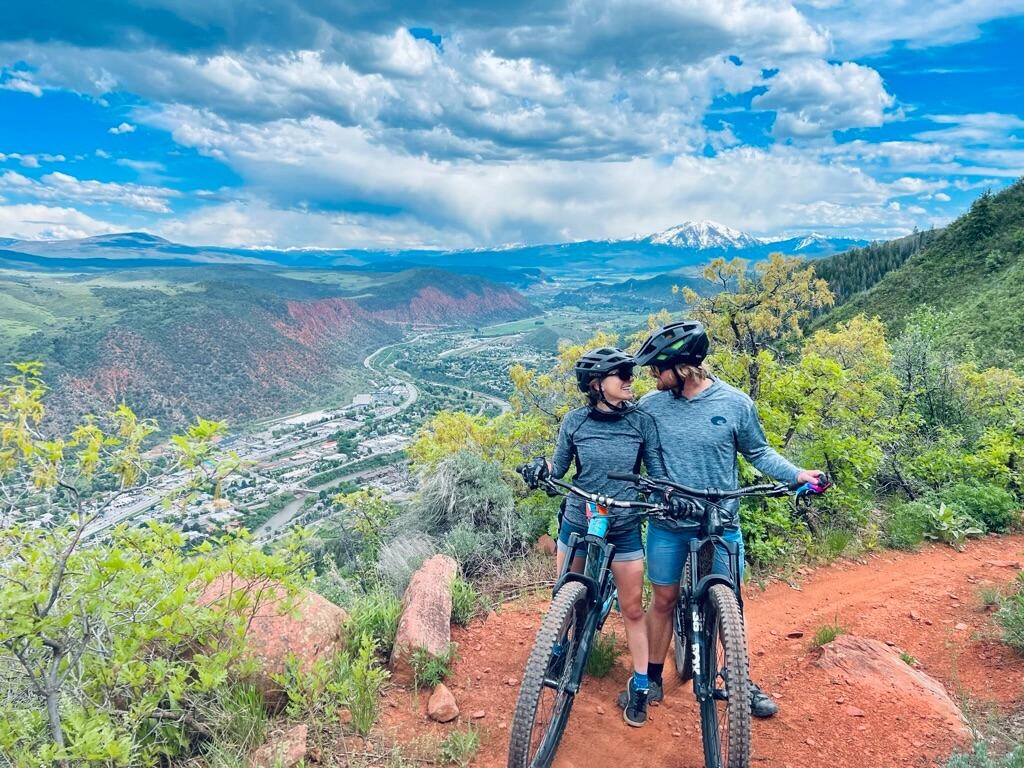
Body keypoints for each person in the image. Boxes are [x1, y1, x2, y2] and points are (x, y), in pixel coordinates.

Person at [624, 320, 824, 718]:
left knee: (728, 604)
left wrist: (798, 474)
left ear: (681, 368)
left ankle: (735, 677)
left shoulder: (735, 404)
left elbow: (760, 453)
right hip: (669, 524)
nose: (652, 377)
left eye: (657, 369)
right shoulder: (649, 407)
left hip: (720, 525)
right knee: (663, 600)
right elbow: (643, 458)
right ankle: (650, 678)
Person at [522, 347, 666, 727]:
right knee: (564, 594)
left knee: (633, 609)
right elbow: (561, 464)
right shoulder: (574, 422)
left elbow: (655, 472)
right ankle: (557, 647)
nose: (629, 379)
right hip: (578, 517)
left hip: (623, 524)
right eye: (621, 374)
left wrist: (662, 494)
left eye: (629, 373)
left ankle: (639, 686)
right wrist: (542, 467)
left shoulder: (642, 423)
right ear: (597, 385)